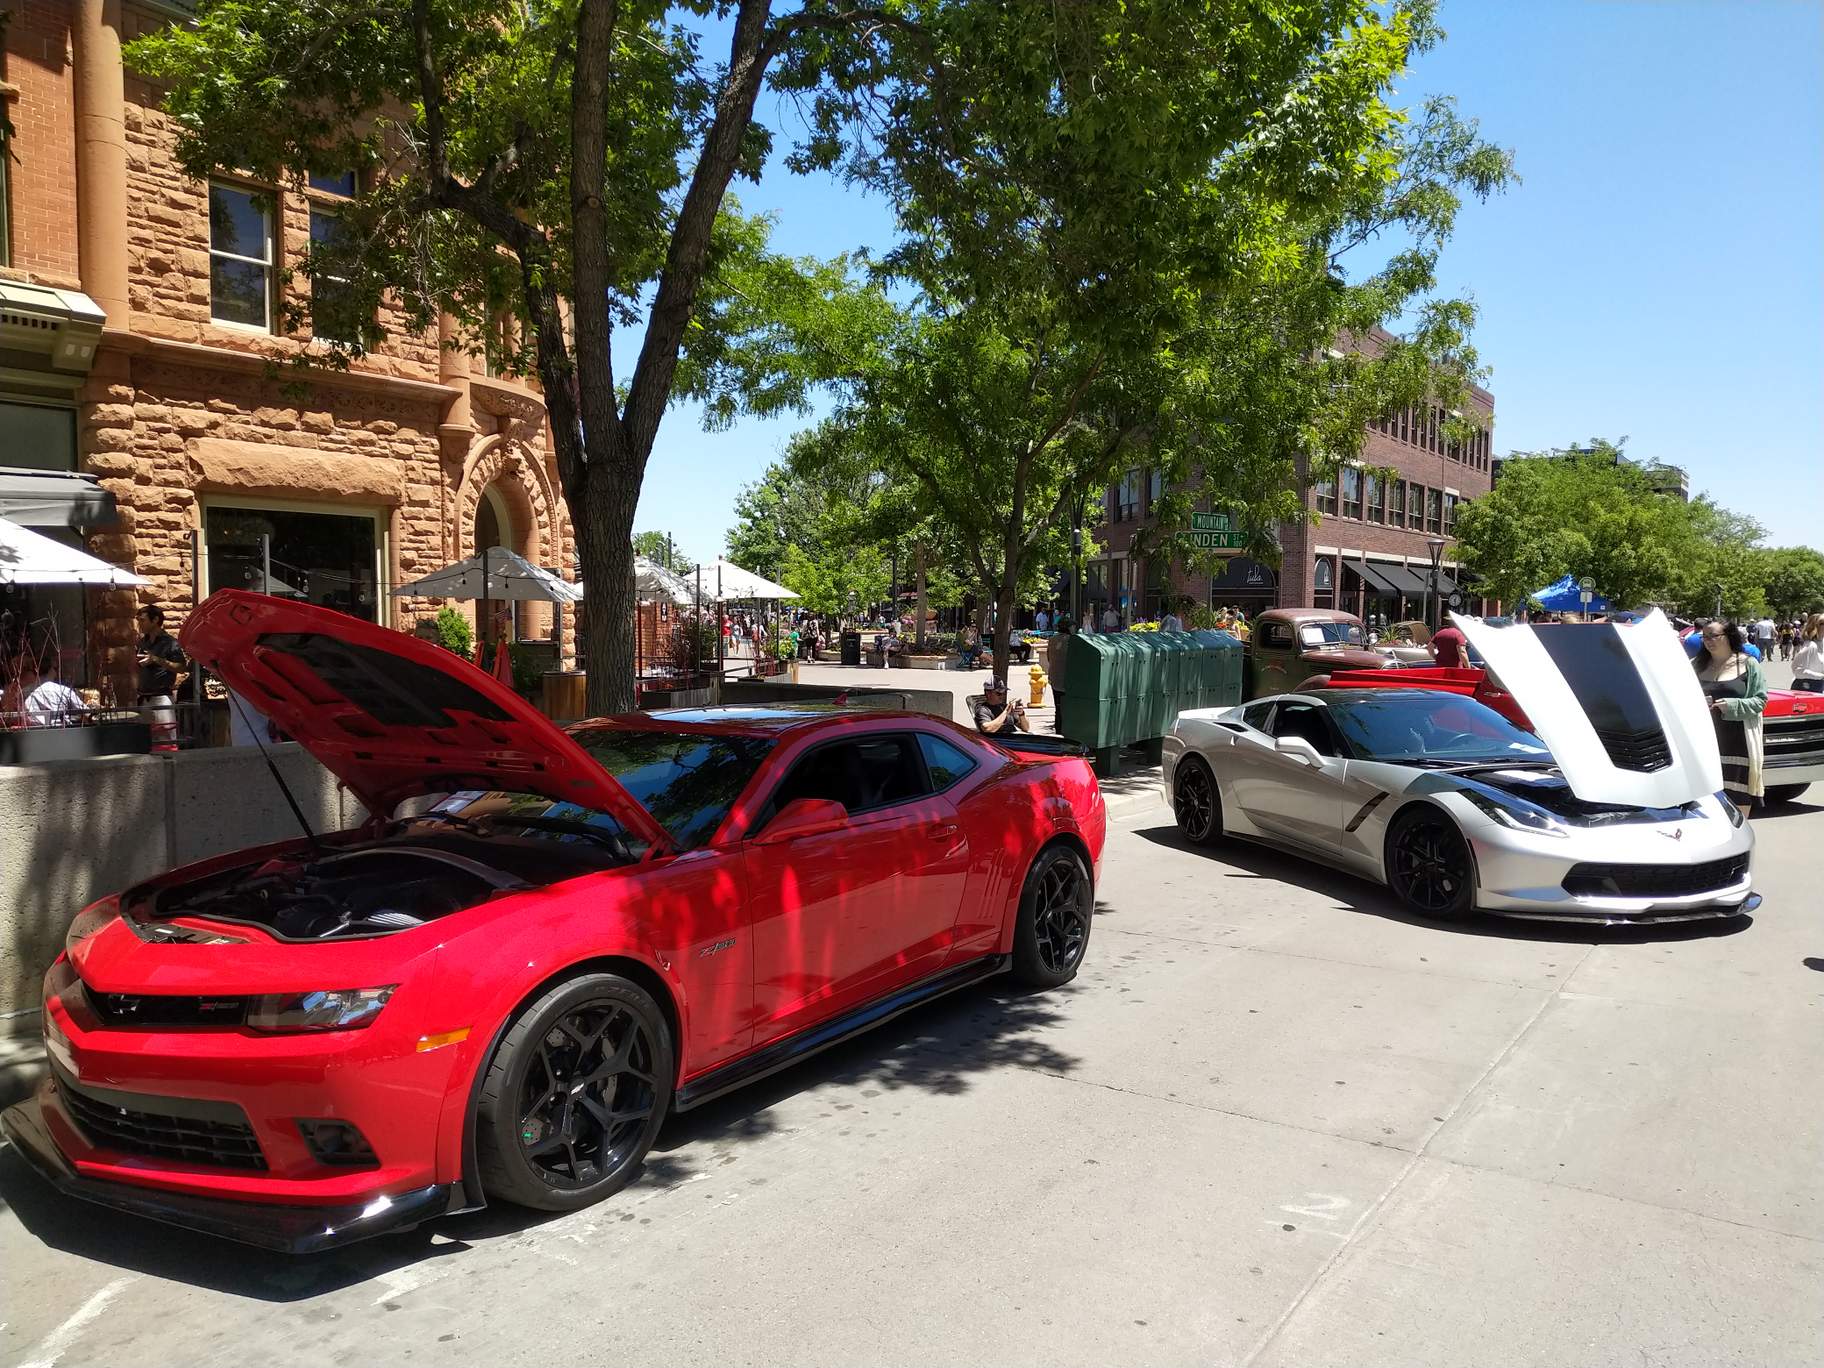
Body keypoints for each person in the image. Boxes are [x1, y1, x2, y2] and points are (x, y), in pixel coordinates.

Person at [1694, 620, 1767, 809]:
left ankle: (1741, 836)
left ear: (1729, 636)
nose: (1709, 641)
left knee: (1737, 794)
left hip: (1737, 740)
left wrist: (1732, 705)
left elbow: (1760, 701)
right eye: (1705, 637)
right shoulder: (1695, 665)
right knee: (1704, 797)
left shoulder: (1749, 664)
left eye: (1714, 636)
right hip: (1703, 741)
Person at [135, 604, 186, 750]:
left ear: (155, 620)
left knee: (166, 741)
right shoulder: (142, 642)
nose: (140, 624)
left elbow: (181, 667)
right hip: (144, 697)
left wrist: (156, 660)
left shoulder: (170, 643)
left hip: (161, 696)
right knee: (147, 742)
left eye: (143, 620)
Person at [20, 658, 88, 727]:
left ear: (36, 671)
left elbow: (26, 718)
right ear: (51, 670)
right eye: (56, 668)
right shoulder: (64, 690)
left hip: (39, 734)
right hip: (65, 731)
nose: (59, 671)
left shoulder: (25, 692)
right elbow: (85, 711)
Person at [1046, 620, 1073, 734]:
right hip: (1068, 680)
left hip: (1054, 678)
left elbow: (1048, 657)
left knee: (1058, 708)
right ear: (1069, 628)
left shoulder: (1052, 640)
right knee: (1069, 709)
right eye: (1073, 627)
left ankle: (1059, 731)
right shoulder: (1071, 640)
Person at [1793, 614, 1824, 693]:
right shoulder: (1811, 646)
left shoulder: (1822, 643)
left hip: (1819, 685)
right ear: (1815, 627)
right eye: (1822, 623)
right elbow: (1798, 671)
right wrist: (1821, 676)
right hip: (1807, 687)